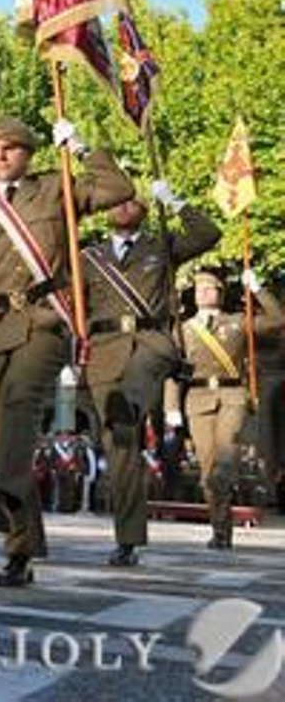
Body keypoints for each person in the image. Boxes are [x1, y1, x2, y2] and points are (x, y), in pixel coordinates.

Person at [0, 114, 135, 587]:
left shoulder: (56, 190)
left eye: (10, 148)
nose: (0, 155)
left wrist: (81, 148)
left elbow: (119, 188)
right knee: (3, 442)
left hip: (43, 321)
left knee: (22, 405)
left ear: (29, 153)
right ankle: (20, 551)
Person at [80, 187, 218, 566]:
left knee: (124, 414)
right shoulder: (88, 258)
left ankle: (126, 411)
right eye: (116, 200)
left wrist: (174, 201)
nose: (122, 205)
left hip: (151, 344)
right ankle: (127, 538)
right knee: (119, 445)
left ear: (144, 209)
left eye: (132, 200)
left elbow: (208, 235)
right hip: (105, 351)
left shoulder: (161, 247)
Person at [168, 269, 285, 550]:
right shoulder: (182, 330)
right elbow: (171, 369)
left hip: (232, 394)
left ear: (220, 293)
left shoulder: (237, 322)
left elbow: (278, 321)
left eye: (209, 289)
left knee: (224, 460)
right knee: (209, 474)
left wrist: (257, 289)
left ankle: (222, 510)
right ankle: (221, 530)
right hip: (197, 397)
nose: (204, 293)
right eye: (199, 290)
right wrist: (170, 405)